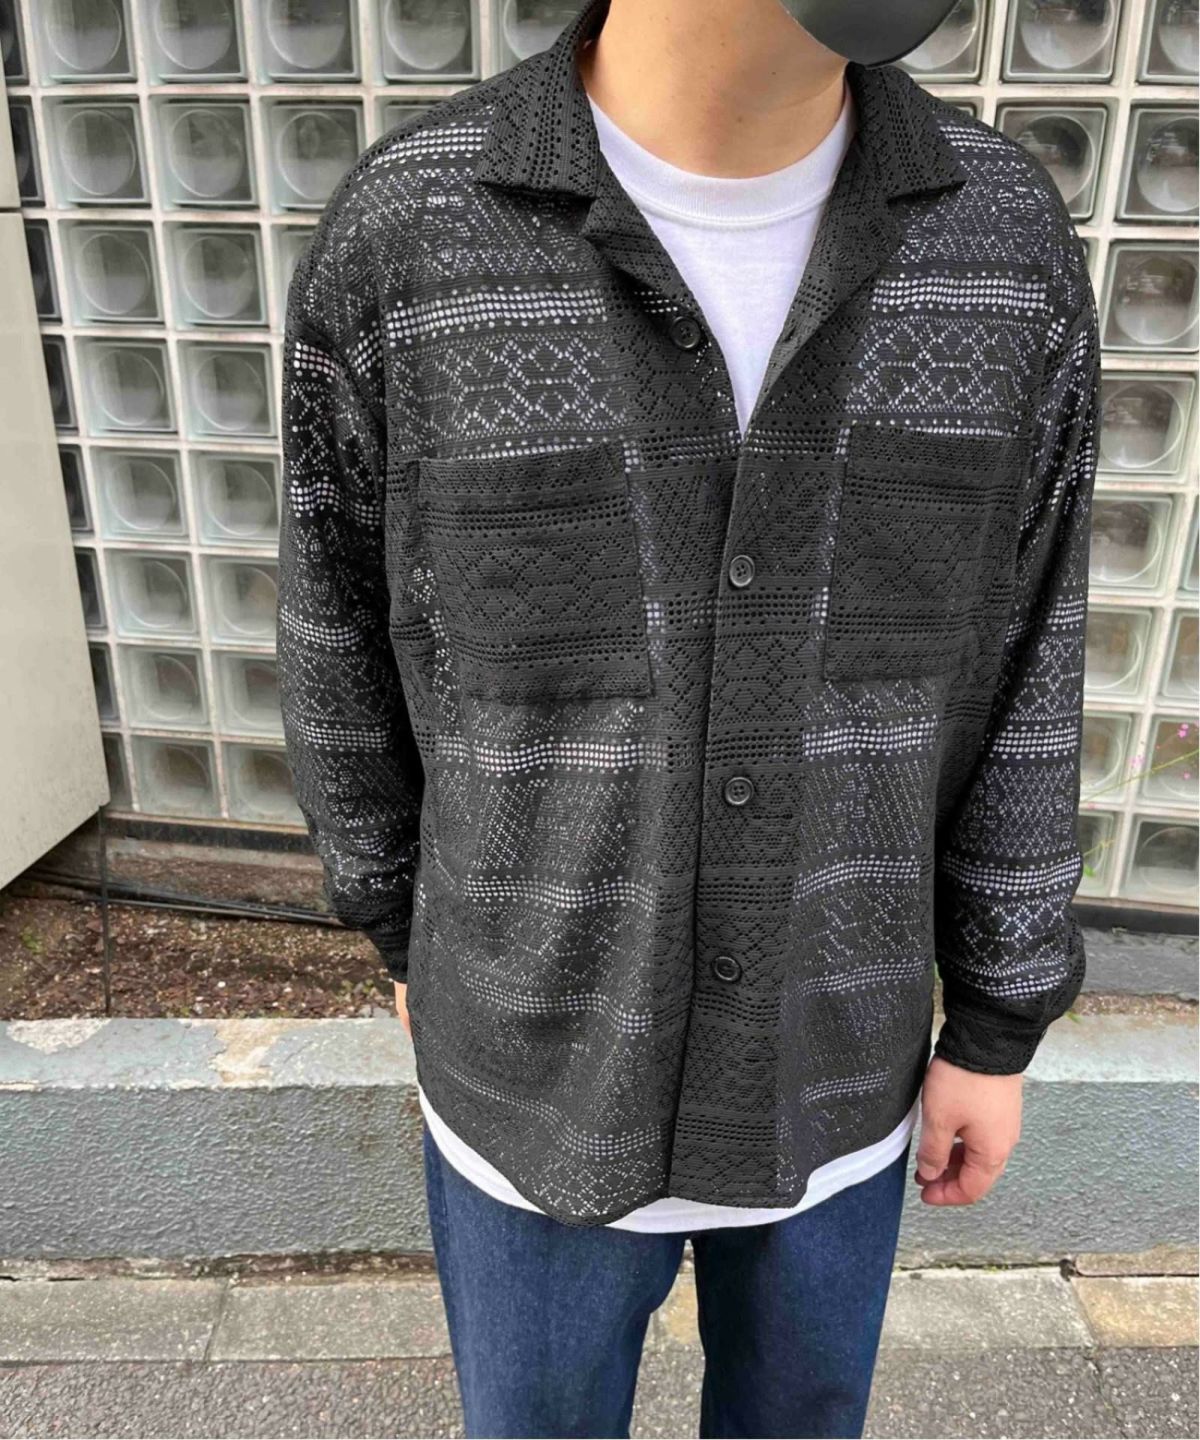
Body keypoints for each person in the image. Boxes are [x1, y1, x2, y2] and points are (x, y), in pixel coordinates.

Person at [277, 0, 1101, 1434]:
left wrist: (996, 1015)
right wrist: (398, 924)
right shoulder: (413, 237)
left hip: (835, 1065)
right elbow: (337, 632)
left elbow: (1030, 651)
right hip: (532, 1079)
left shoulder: (999, 244)